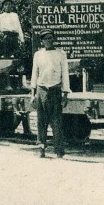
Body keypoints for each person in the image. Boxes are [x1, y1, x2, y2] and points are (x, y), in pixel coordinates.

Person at [31, 28, 70, 158]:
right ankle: (41, 148)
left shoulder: (61, 54)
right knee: (41, 121)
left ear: (53, 39)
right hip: (41, 89)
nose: (48, 41)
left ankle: (59, 151)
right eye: (45, 39)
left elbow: (65, 74)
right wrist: (33, 94)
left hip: (55, 90)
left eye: (50, 38)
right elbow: (34, 74)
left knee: (56, 122)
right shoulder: (38, 54)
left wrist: (65, 94)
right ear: (42, 41)